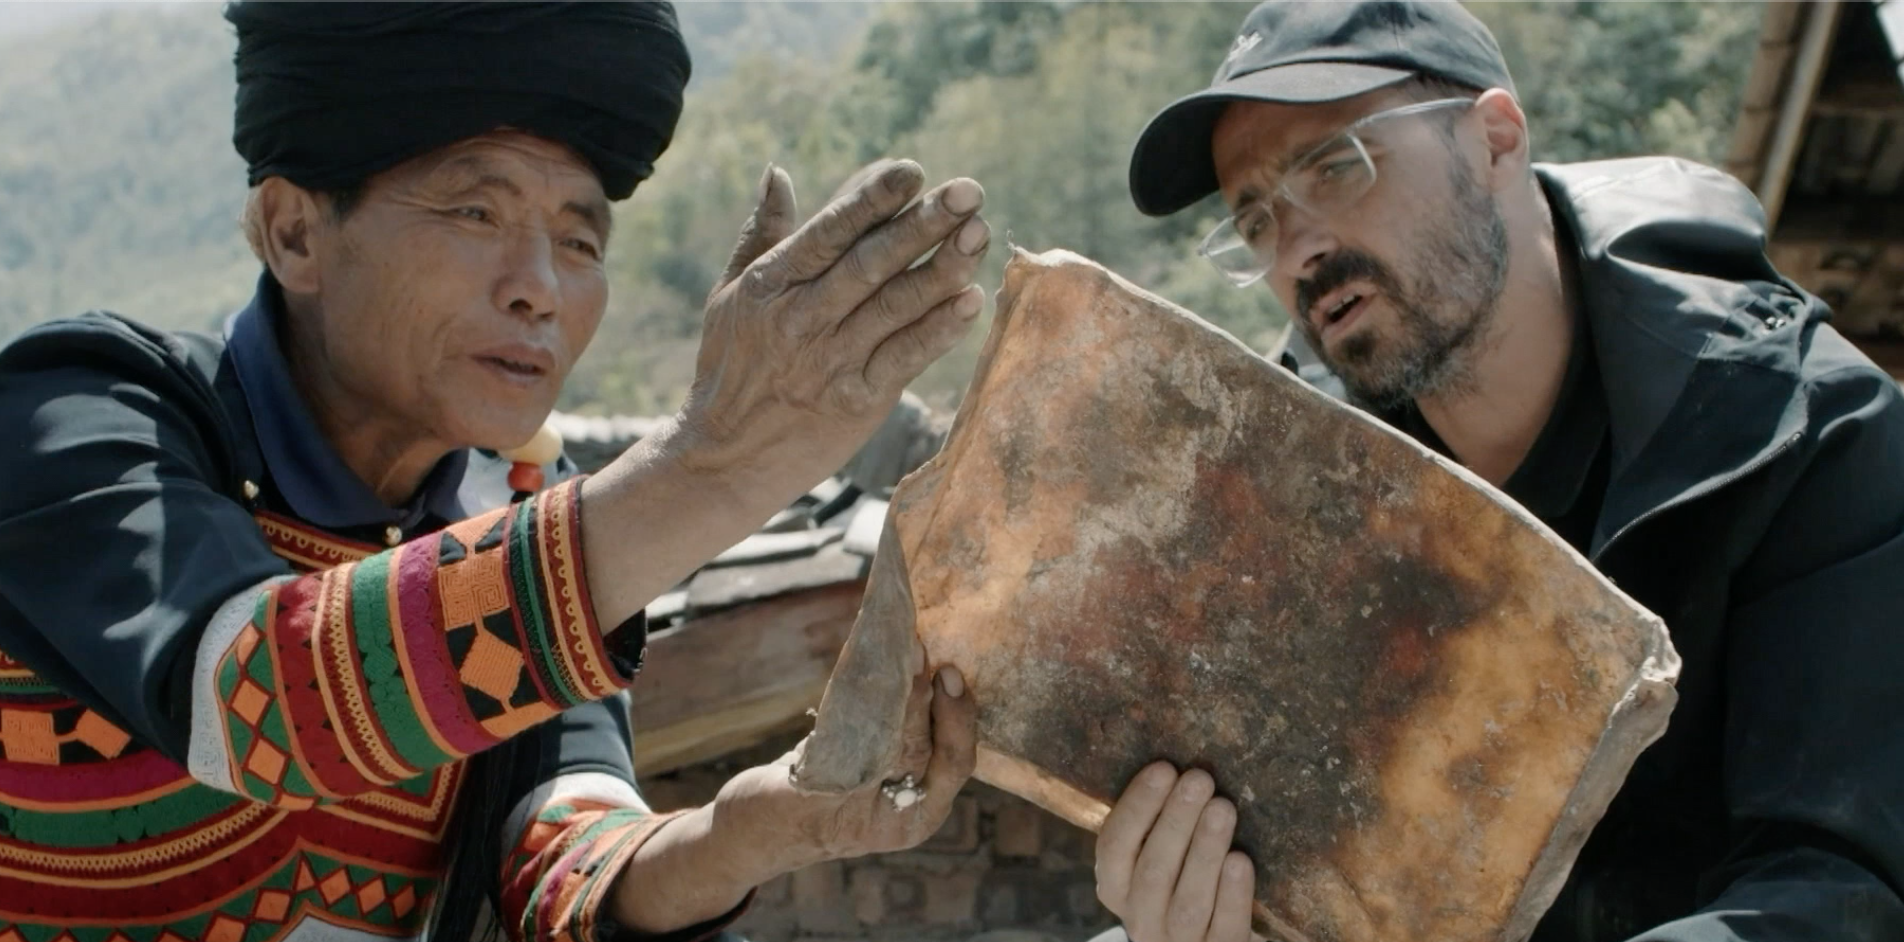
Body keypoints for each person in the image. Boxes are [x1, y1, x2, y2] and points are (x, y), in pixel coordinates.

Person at [0, 4, 992, 941]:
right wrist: (714, 467)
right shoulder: (81, 415)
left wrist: (744, 837)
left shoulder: (520, 501)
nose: (541, 289)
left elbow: (555, 851)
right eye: (476, 211)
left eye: (578, 238)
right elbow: (258, 700)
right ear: (295, 233)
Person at [1094, 2, 1904, 941]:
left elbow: (1843, 891)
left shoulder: (1798, 430)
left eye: (1334, 166)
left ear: (1495, 139)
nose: (1299, 247)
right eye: (1256, 218)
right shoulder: (1293, 508)